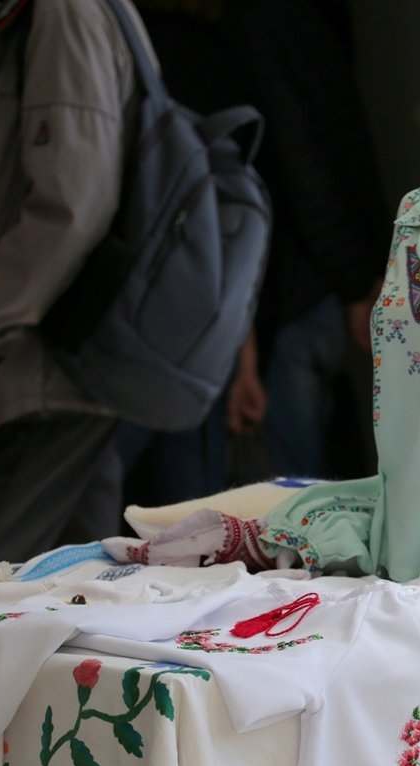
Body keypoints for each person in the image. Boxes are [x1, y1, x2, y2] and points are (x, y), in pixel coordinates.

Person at [0, 0, 146, 577]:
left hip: (38, 371)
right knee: (81, 592)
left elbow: (75, 200)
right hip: (60, 367)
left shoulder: (67, 13)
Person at [132, 0, 389, 486]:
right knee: (291, 477)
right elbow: (334, 147)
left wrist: (358, 278)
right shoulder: (283, 22)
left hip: (286, 288)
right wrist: (363, 274)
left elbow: (302, 161)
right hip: (301, 285)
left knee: (281, 483)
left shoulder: (248, 27)